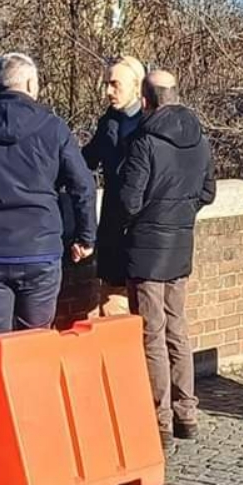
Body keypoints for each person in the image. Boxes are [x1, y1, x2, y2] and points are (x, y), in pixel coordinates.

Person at [0, 53, 96, 356]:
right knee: (36, 344)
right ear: (29, 83)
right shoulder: (53, 128)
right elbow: (83, 186)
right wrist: (85, 237)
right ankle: (31, 404)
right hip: (40, 249)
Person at [120, 70, 216, 442]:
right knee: (178, 329)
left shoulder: (145, 141)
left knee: (151, 334)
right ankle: (186, 413)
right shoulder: (199, 139)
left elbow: (129, 200)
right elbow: (208, 193)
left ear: (145, 100)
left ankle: (158, 420)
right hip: (180, 243)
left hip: (147, 248)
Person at [82, 55, 146, 317]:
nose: (108, 91)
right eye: (107, 84)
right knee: (111, 308)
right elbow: (86, 161)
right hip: (112, 229)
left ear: (137, 86)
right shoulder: (108, 122)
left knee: (147, 311)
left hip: (142, 229)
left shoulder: (151, 124)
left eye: (115, 84)